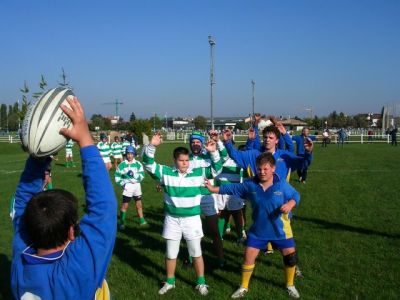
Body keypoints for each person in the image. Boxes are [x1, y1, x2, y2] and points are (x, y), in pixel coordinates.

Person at [11, 97, 117, 299]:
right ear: (71, 231)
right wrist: (85, 139)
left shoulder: (21, 261)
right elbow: (104, 210)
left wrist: (39, 152)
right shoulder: (76, 272)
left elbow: (103, 211)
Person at [205, 152, 301, 299]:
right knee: (248, 258)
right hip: (258, 231)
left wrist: (290, 204)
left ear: (273, 168)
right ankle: (243, 287)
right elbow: (232, 189)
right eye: (259, 169)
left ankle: (290, 285)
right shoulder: (250, 184)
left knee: (290, 258)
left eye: (266, 169)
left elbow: (296, 195)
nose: (262, 172)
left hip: (280, 230)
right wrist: (213, 189)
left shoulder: (281, 184)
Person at [142, 132, 222, 296]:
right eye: (181, 161)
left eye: (186, 160)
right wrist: (152, 146)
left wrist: (214, 152)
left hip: (192, 220)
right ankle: (170, 281)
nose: (185, 163)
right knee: (171, 253)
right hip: (172, 220)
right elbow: (148, 164)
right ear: (175, 161)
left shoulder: (197, 173)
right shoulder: (166, 173)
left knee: (196, 252)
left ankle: (201, 282)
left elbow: (217, 169)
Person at [188, 130, 225, 268]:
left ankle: (221, 258)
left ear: (202, 144)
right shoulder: (186, 158)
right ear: (190, 144)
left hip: (207, 197)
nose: (195, 145)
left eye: (198, 142)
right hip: (191, 198)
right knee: (191, 232)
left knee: (214, 231)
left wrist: (214, 152)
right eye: (193, 142)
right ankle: (191, 259)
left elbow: (217, 170)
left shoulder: (208, 157)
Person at [115, 145, 147, 229]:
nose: (129, 155)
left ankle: (142, 220)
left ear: (134, 154)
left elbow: (142, 174)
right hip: (128, 187)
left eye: (131, 154)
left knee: (139, 204)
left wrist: (136, 180)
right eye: (128, 154)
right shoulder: (122, 164)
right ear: (126, 154)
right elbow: (117, 176)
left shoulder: (137, 164)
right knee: (125, 205)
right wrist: (123, 184)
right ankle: (121, 222)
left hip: (137, 186)